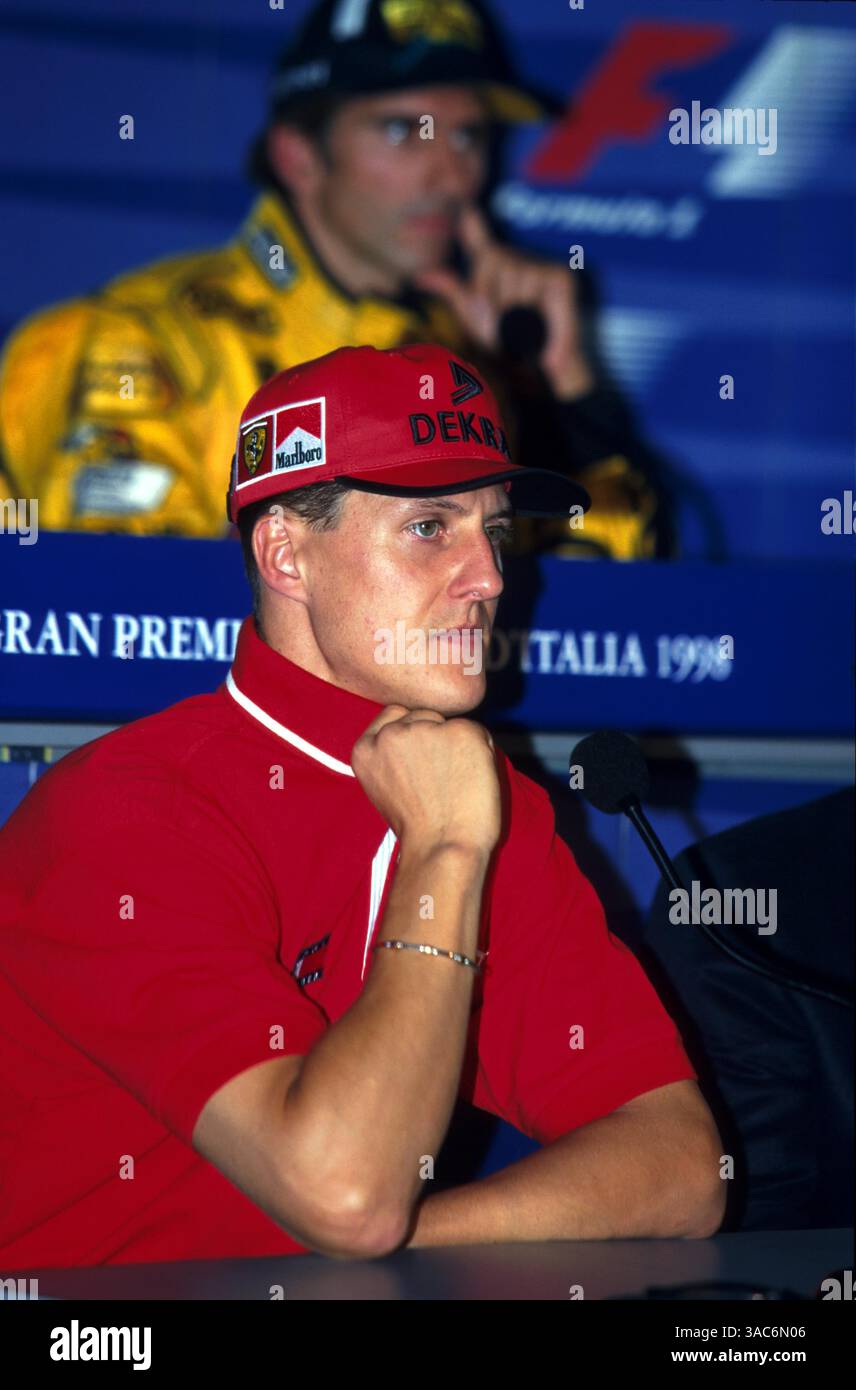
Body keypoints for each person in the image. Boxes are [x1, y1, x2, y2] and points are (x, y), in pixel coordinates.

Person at [0, 343, 722, 1266]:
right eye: (431, 528)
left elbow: (683, 1162)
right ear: (285, 552)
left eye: (493, 532)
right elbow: (344, 1197)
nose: (492, 579)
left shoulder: (484, 804)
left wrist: (417, 1242)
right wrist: (446, 852)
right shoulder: (125, 816)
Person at [0, 0, 670, 558]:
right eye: (404, 130)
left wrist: (569, 393)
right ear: (299, 155)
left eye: (469, 137)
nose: (454, 174)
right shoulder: (135, 336)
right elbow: (128, 623)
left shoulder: (465, 359)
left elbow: (593, 615)